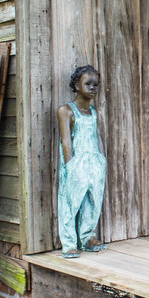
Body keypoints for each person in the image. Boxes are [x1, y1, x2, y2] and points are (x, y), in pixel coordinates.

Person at [56, 65, 108, 258]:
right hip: (77, 163)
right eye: (88, 84)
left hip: (94, 162)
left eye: (96, 84)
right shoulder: (66, 111)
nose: (93, 88)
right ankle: (69, 243)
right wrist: (71, 165)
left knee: (93, 202)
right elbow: (66, 140)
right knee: (70, 202)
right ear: (77, 85)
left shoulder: (94, 112)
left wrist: (102, 160)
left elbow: (97, 137)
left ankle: (87, 238)